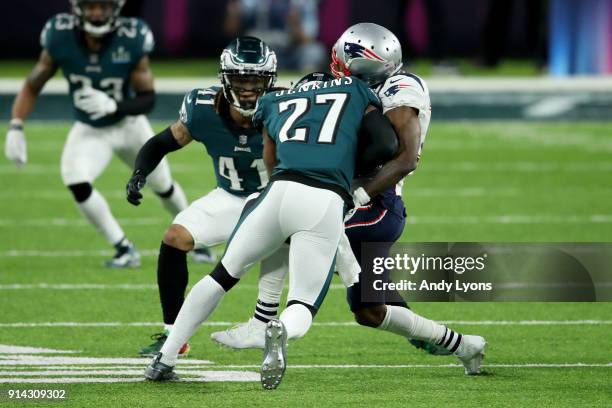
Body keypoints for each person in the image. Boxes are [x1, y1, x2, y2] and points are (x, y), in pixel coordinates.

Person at [211, 23, 487, 374]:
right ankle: (465, 346)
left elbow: (405, 157)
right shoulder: (330, 84)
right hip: (333, 190)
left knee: (293, 230)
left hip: (375, 201)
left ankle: (264, 320)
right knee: (369, 311)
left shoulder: (402, 89)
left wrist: (356, 196)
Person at [143, 71, 402, 390]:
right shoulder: (357, 91)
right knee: (303, 304)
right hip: (323, 198)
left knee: (220, 276)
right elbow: (386, 144)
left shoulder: (274, 101)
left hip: (277, 191)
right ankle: (277, 326)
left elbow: (270, 158)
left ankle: (165, 358)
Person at [126, 36, 288, 357]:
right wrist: (139, 173)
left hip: (277, 201)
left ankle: (400, 316)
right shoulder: (203, 109)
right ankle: (175, 335)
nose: (248, 89)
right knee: (175, 237)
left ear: (269, 81)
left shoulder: (288, 108)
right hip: (229, 197)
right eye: (240, 80)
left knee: (346, 259)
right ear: (225, 80)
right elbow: (161, 143)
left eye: (256, 81)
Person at [3, 0, 188, 268]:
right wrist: (16, 125)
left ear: (116, 9)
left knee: (162, 185)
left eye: (103, 6)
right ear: (78, 9)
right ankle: (123, 248)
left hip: (130, 125)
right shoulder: (59, 35)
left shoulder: (131, 36)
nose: (97, 13)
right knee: (75, 178)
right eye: (90, 6)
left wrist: (116, 105)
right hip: (90, 128)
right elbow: (32, 85)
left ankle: (195, 237)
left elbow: (148, 99)